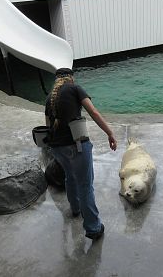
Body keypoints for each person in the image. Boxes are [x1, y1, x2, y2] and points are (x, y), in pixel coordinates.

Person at [45, 68, 117, 240]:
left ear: (57, 80)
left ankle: (75, 209)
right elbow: (93, 112)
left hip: (57, 148)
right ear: (71, 77)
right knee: (85, 186)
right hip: (76, 145)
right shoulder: (75, 88)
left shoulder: (50, 98)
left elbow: (48, 126)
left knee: (70, 177)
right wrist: (110, 133)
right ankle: (93, 228)